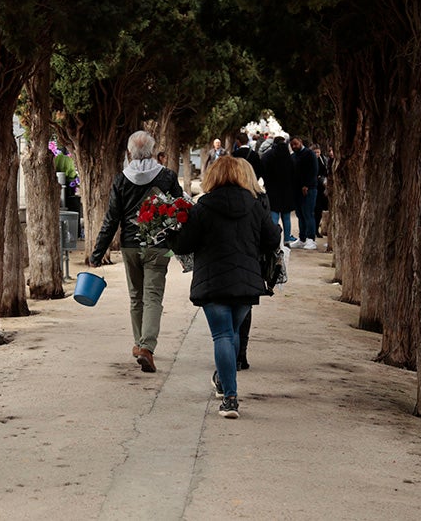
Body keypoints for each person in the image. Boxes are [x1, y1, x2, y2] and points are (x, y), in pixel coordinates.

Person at [170, 156, 279, 419]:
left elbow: (184, 245)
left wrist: (173, 230)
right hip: (246, 283)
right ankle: (223, 379)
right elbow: (272, 240)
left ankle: (230, 398)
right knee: (231, 333)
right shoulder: (254, 206)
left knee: (222, 336)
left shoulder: (203, 207)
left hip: (213, 282)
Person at [89, 130, 183, 373]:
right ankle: (147, 347)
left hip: (130, 245)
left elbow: (112, 219)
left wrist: (98, 253)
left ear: (130, 153)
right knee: (153, 297)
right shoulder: (167, 176)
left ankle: (140, 342)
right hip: (158, 245)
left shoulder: (121, 180)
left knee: (136, 296)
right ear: (152, 151)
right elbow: (180, 208)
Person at [234, 158, 273, 371]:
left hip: (229, 259)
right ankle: (241, 354)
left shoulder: (221, 196)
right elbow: (270, 233)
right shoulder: (261, 198)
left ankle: (233, 352)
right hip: (253, 260)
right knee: (244, 308)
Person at [260, 134, 298, 245]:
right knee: (286, 217)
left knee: (274, 215)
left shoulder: (268, 156)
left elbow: (263, 171)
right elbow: (294, 174)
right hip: (287, 191)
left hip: (272, 190)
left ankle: (273, 238)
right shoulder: (289, 157)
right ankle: (287, 239)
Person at [290, 135, 319, 250]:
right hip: (297, 190)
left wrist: (307, 184)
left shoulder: (309, 154)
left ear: (300, 142)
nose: (294, 146)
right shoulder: (293, 156)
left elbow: (313, 171)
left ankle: (310, 238)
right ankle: (302, 238)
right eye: (292, 145)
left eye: (295, 144)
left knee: (308, 213)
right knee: (300, 215)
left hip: (309, 189)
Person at [311, 144, 329, 235]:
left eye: (318, 152)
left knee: (320, 210)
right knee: (315, 210)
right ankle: (314, 230)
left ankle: (317, 229)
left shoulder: (323, 159)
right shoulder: (311, 160)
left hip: (322, 188)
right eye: (315, 152)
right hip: (315, 187)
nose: (317, 154)